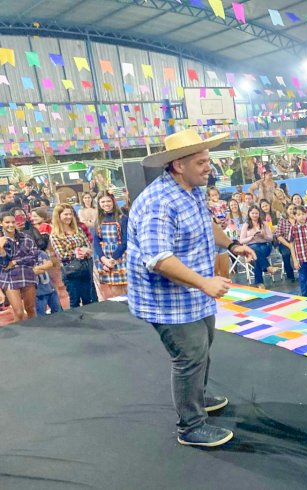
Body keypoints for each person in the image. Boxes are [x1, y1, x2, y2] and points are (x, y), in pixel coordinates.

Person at [127, 128, 256, 447]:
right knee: (189, 355)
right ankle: (191, 425)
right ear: (178, 165)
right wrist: (205, 282)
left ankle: (196, 398)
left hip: (194, 292)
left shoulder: (194, 189)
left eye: (207, 160)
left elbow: (205, 223)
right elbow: (157, 258)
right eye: (201, 162)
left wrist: (232, 244)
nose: (208, 167)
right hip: (167, 299)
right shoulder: (159, 202)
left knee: (202, 347)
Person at [50, 204, 95, 308]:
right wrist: (78, 252)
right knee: (74, 300)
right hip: (71, 272)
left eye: (70, 214)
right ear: (58, 216)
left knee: (88, 299)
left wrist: (86, 251)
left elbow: (87, 244)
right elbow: (61, 254)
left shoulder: (78, 230)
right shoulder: (55, 235)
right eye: (66, 214)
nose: (69, 217)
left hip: (86, 267)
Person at [0, 212, 39, 321]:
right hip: (9, 278)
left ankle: (36, 332)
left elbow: (33, 257)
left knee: (31, 308)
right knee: (18, 312)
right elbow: (4, 264)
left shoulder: (26, 237)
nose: (11, 225)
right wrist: (1, 249)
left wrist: (15, 262)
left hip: (27, 275)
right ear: (1, 223)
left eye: (13, 222)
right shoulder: (1, 240)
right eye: (7, 222)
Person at [92, 192, 128, 300]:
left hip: (120, 256)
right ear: (99, 204)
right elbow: (96, 241)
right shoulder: (98, 220)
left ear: (113, 202)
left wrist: (113, 259)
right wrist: (103, 259)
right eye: (103, 201)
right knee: (113, 290)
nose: (106, 204)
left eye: (108, 201)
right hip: (105, 258)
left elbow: (125, 242)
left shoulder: (123, 218)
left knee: (124, 288)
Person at [239, 205, 277, 288]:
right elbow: (241, 240)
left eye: (256, 213)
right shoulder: (246, 225)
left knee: (256, 254)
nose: (255, 215)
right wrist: (251, 237)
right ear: (249, 214)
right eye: (252, 213)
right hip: (252, 245)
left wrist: (264, 236)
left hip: (265, 245)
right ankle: (267, 267)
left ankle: (259, 282)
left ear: (259, 214)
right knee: (255, 251)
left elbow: (270, 238)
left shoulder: (264, 223)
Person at [290, 205, 307, 298]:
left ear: (306, 214)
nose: (301, 216)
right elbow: (291, 244)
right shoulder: (293, 229)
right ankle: (304, 296)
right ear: (295, 216)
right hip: (300, 257)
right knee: (302, 278)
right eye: (298, 214)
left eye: (303, 214)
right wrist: (295, 260)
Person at [274, 203, 298, 282]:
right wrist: (289, 245)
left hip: (298, 241)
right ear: (286, 211)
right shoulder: (282, 221)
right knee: (286, 254)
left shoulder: (299, 219)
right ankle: (290, 276)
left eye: (293, 209)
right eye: (290, 209)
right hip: (285, 242)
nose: (292, 211)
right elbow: (278, 235)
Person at [34, 248, 60, 315]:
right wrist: (44, 266)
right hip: (38, 293)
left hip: (51, 289)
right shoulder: (22, 258)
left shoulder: (41, 253)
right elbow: (33, 271)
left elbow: (52, 264)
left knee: (59, 313)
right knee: (41, 317)